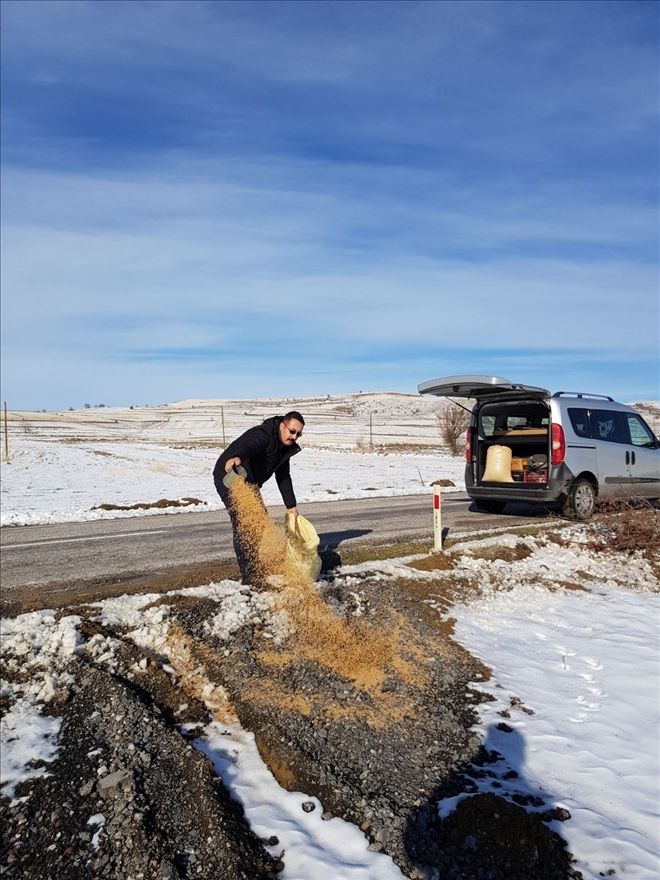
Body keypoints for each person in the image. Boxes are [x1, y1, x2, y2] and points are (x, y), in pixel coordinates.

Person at [213, 411, 305, 585]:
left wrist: (291, 506)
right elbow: (248, 445)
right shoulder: (263, 434)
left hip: (248, 481)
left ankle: (252, 563)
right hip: (229, 475)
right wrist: (236, 457)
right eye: (292, 431)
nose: (294, 437)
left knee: (259, 521)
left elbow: (283, 477)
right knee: (244, 522)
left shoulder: (283, 448)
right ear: (282, 425)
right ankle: (250, 576)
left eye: (298, 434)